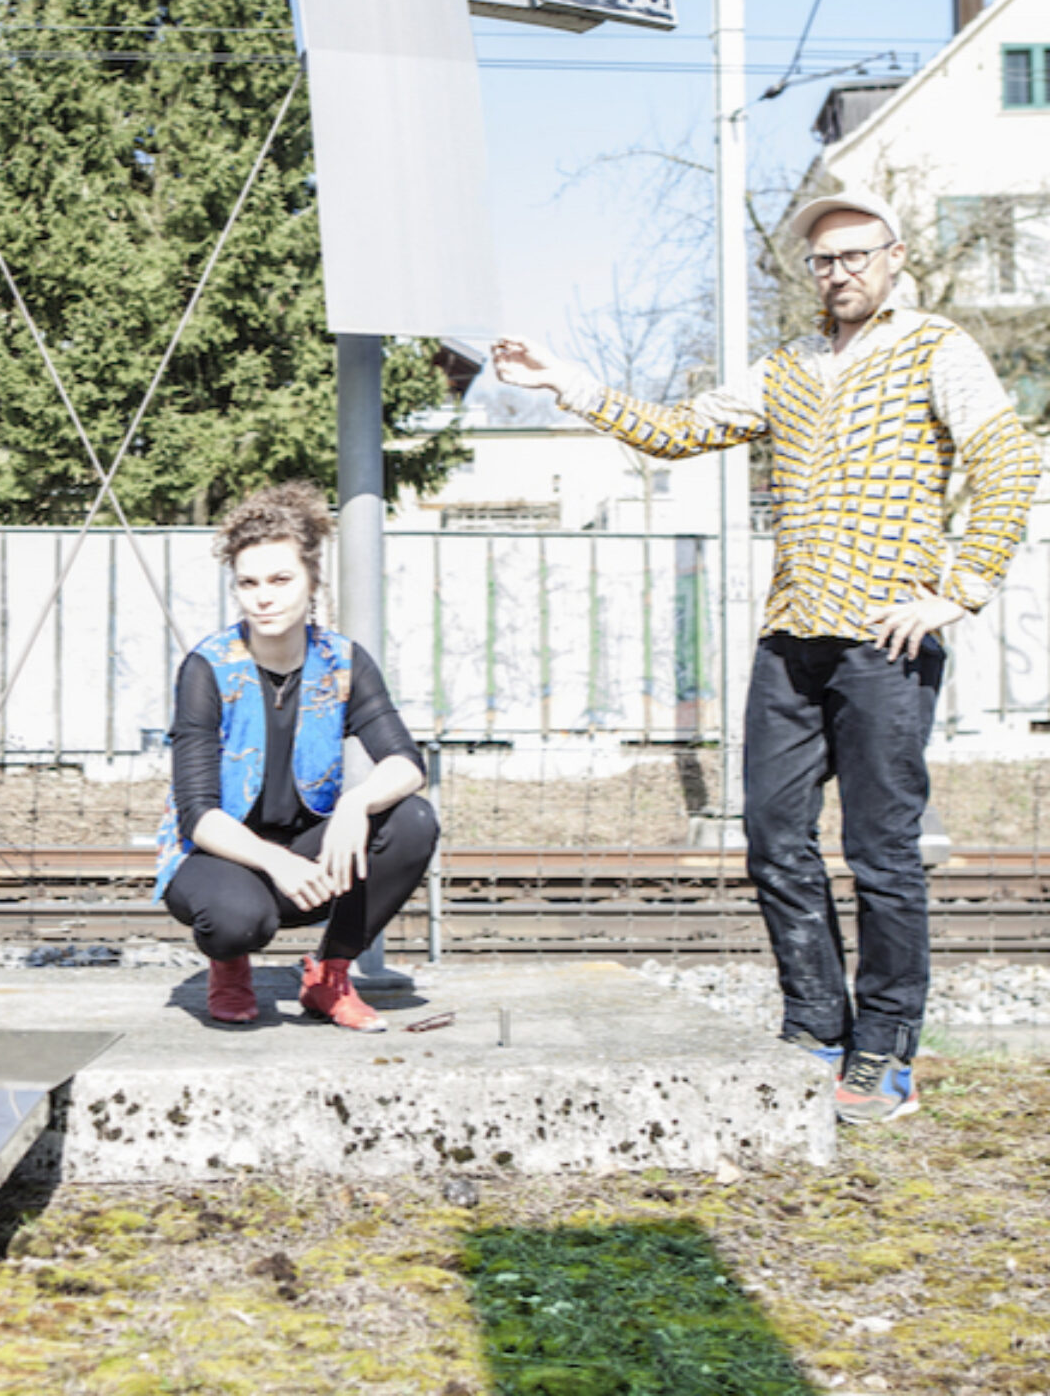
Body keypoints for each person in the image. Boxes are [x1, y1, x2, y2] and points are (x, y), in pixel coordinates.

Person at [493, 188, 1041, 1125]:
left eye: (856, 255)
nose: (839, 273)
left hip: (885, 640)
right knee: (774, 842)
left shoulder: (937, 348)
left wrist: (959, 589)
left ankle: (885, 1049)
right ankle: (816, 1026)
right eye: (823, 260)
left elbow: (1008, 458)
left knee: (881, 854)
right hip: (790, 640)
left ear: (896, 257)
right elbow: (676, 431)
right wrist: (567, 381)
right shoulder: (786, 368)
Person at [156, 482, 438, 1032]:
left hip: (307, 854)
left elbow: (406, 762)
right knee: (237, 920)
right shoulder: (207, 668)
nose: (264, 597)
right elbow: (197, 815)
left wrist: (357, 803)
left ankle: (330, 976)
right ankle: (229, 966)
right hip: (219, 855)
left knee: (412, 820)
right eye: (249, 583)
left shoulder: (343, 662)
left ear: (312, 580)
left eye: (281, 580)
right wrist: (276, 861)